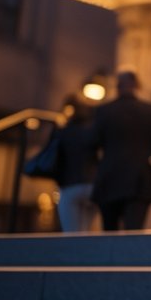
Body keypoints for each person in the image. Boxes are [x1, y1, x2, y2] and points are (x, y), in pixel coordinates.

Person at [89, 71, 151, 231]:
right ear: (136, 86)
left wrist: (96, 169)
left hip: (109, 177)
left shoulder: (103, 112)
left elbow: (90, 145)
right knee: (133, 233)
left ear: (117, 86)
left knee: (109, 233)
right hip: (140, 179)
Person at [54, 95, 99, 232]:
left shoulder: (64, 132)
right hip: (93, 186)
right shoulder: (93, 131)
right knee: (85, 232)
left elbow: (55, 159)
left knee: (71, 233)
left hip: (71, 185)